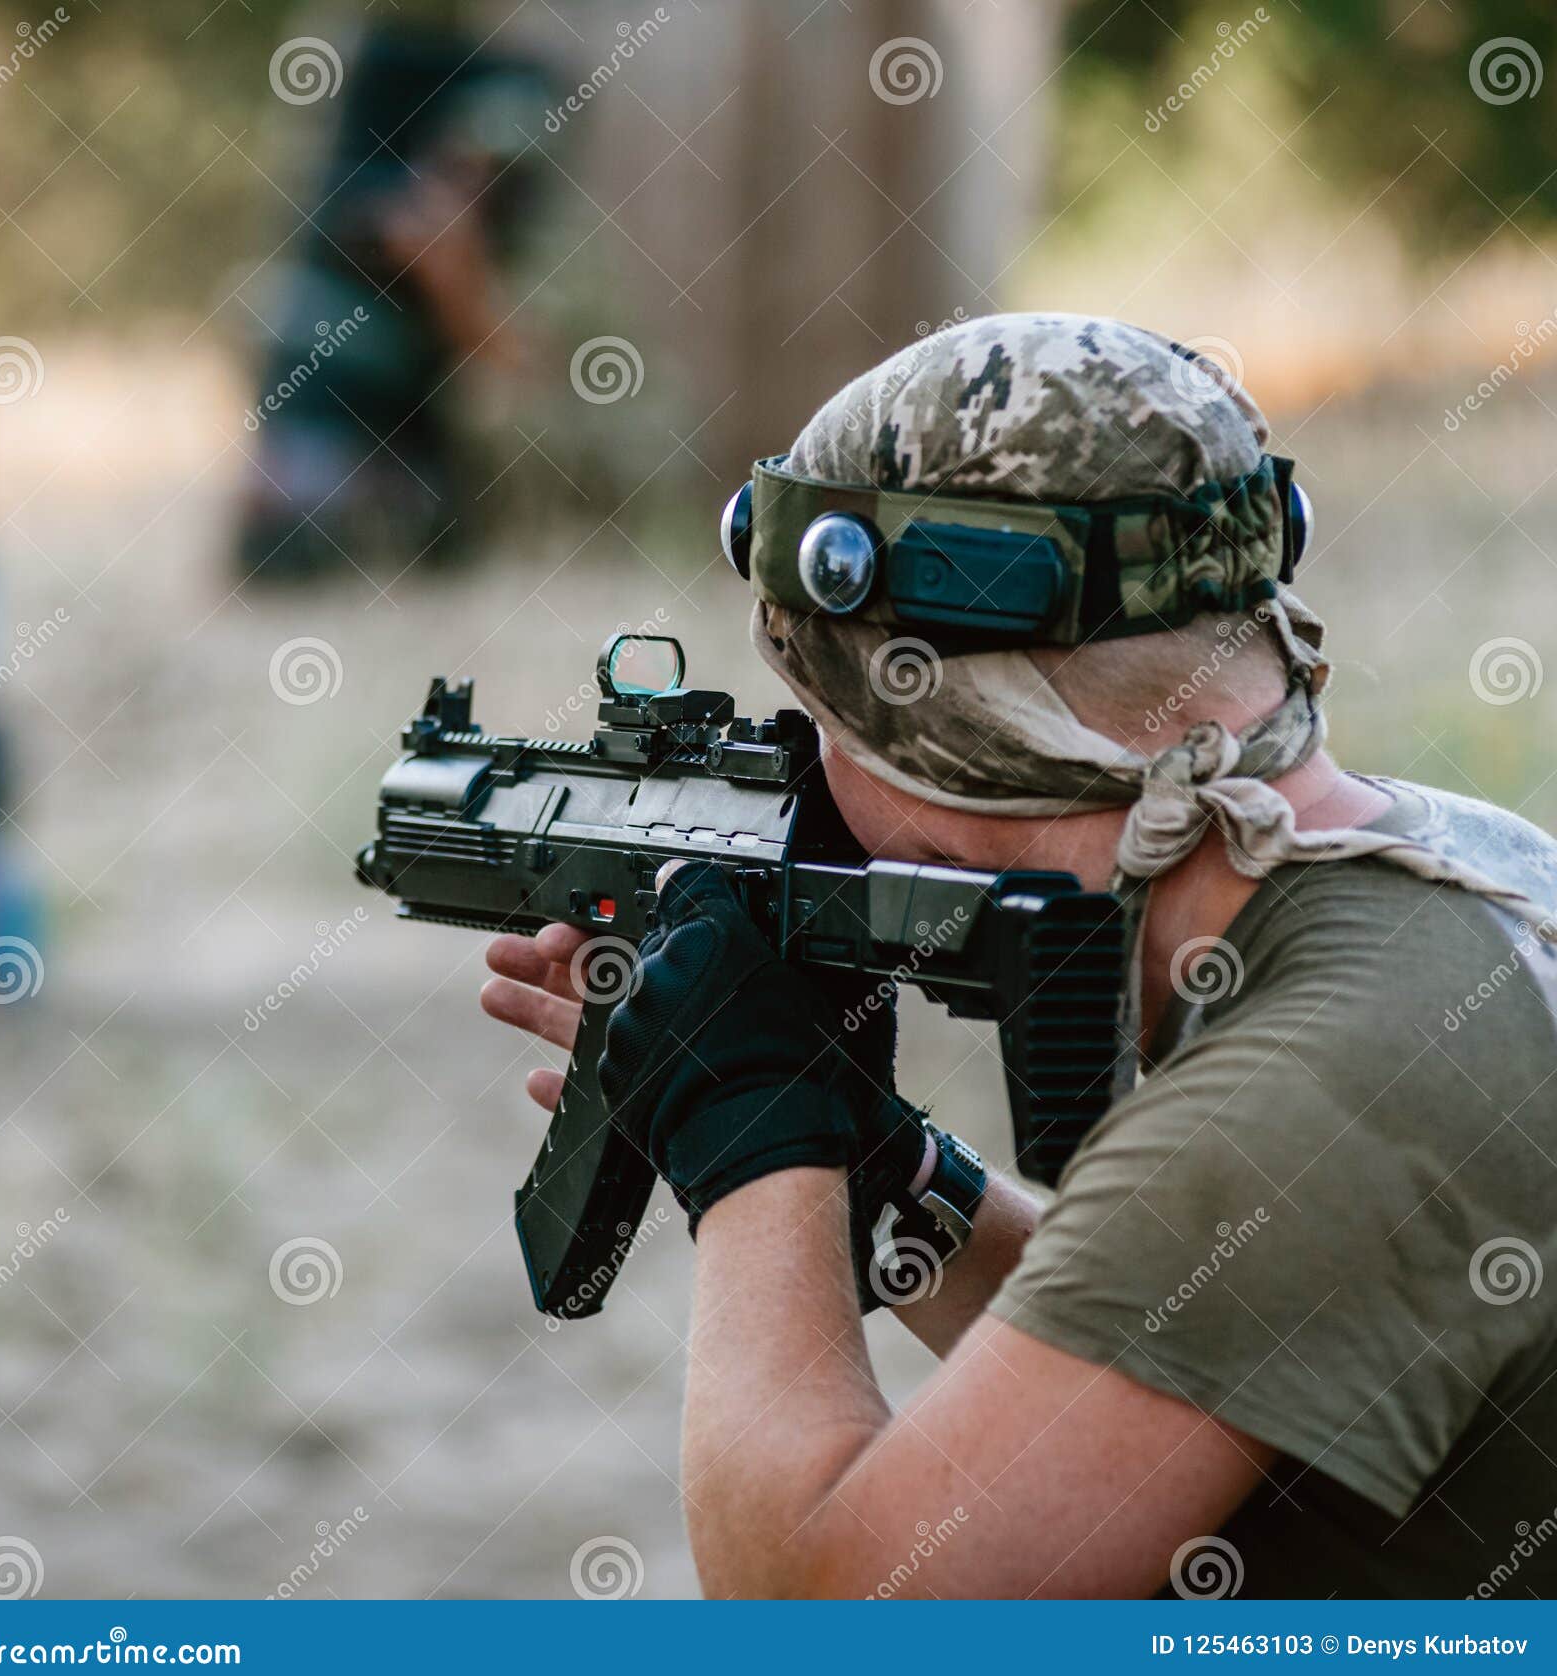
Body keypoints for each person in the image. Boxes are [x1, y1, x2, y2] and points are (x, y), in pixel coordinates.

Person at [480, 314, 1557, 1599]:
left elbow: (826, 1620)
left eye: (827, 722)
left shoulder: (1323, 1084)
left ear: (944, 735)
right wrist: (888, 1167)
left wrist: (749, 1136)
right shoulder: (1460, 876)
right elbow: (1160, 1350)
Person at [236, 24, 551, 584]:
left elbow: (532, 383)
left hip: (456, 453)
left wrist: (459, 280)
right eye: (458, 167)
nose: (473, 183)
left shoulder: (542, 250)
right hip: (362, 419)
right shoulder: (356, 214)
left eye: (488, 173)